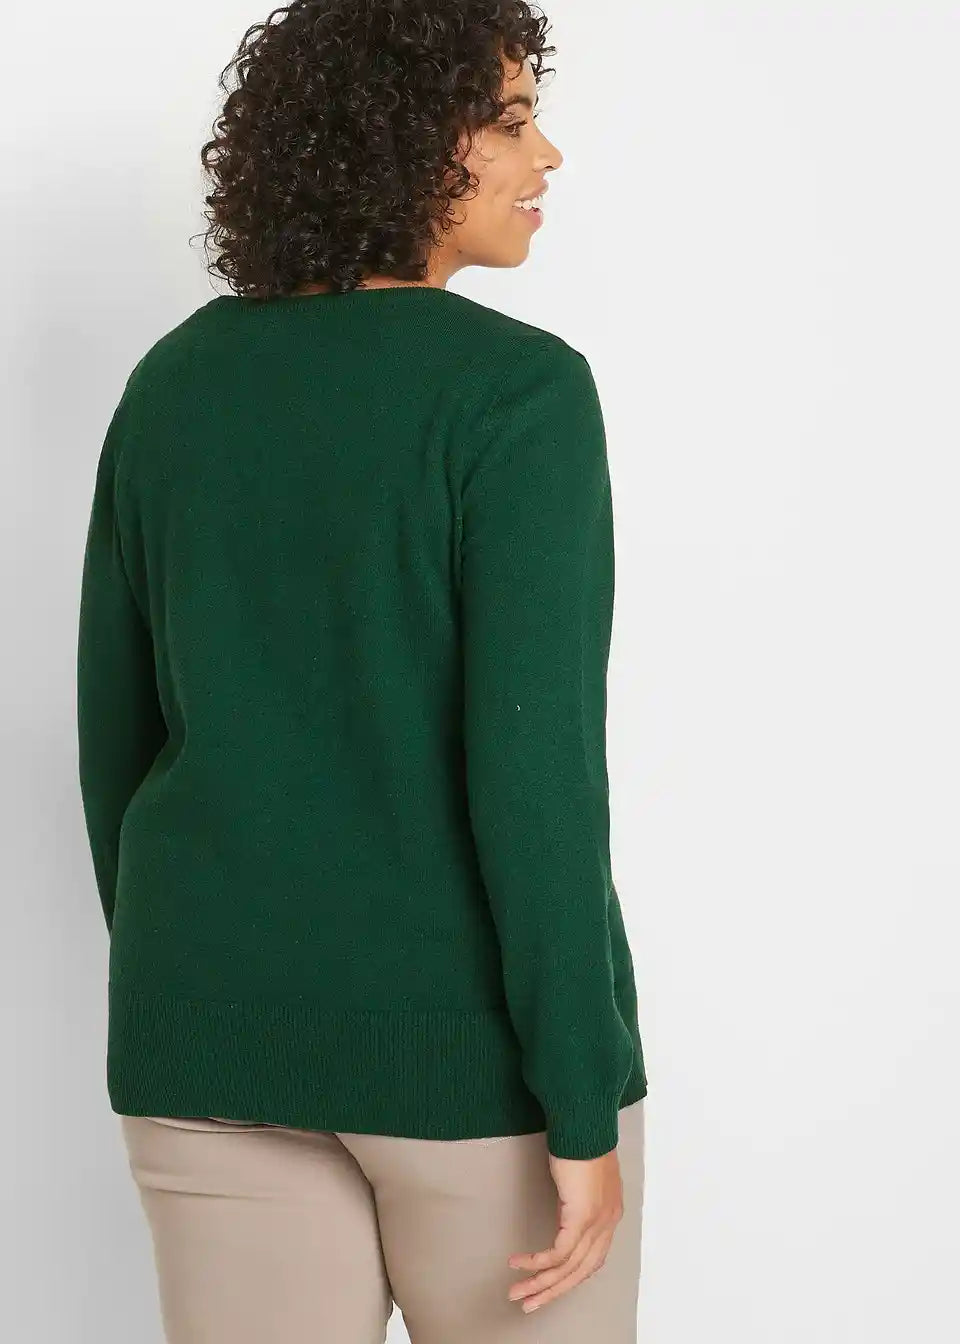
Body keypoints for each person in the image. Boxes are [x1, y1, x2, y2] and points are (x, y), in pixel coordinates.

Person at [75, 2, 648, 1340]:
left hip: (205, 1043)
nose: (546, 155)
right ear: (400, 141)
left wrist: (201, 981)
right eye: (508, 121)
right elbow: (536, 776)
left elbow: (116, 737)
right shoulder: (515, 394)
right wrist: (579, 1096)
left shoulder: (175, 382)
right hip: (470, 1067)